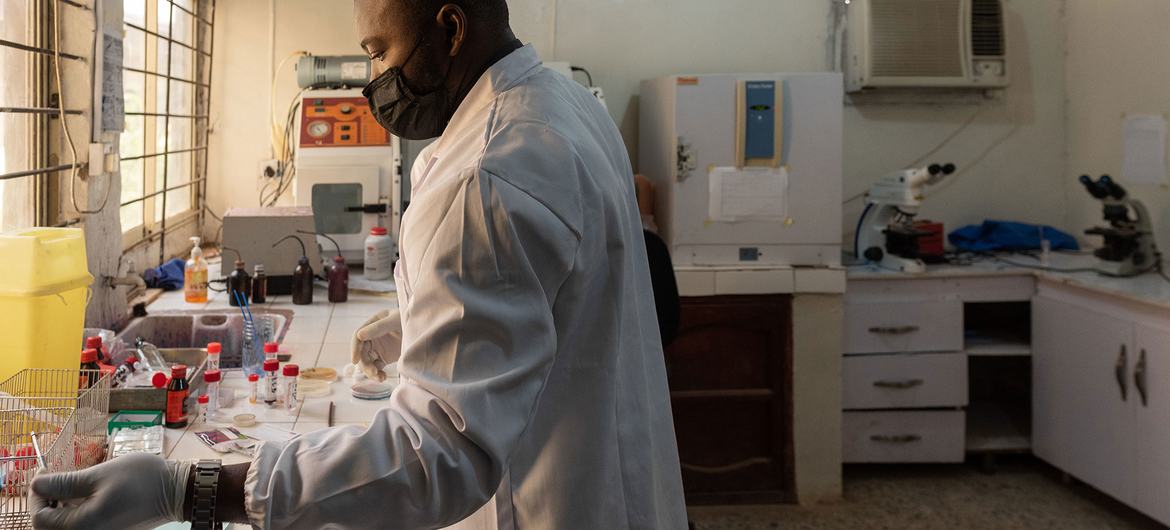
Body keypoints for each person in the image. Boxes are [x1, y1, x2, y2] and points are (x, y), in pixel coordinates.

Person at [26, 0, 687, 528]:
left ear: (449, 27)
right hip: (615, 481)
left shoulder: (484, 174)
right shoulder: (565, 104)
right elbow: (551, 290)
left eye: (379, 51)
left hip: (543, 505)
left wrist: (193, 486)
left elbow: (434, 460)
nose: (371, 80)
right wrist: (413, 321)